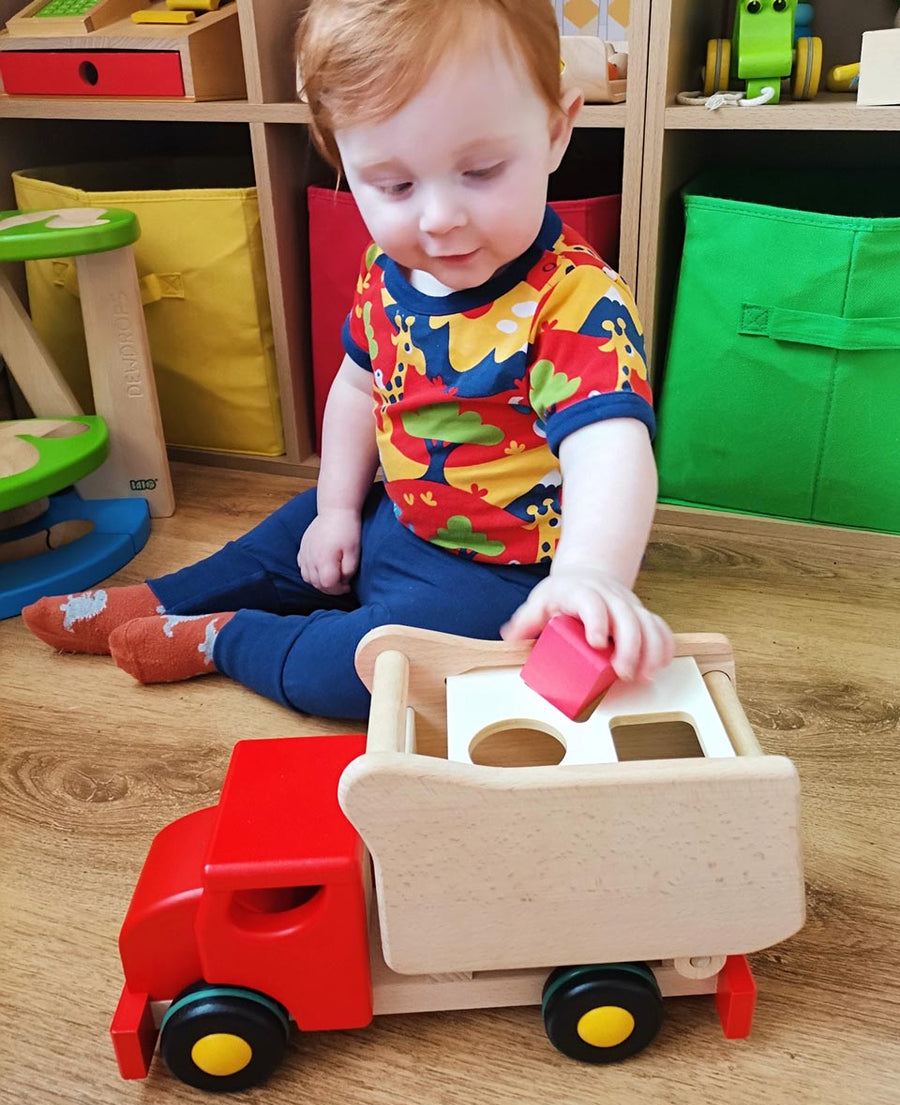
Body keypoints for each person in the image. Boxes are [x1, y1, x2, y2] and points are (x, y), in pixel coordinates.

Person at [22, 0, 674, 721]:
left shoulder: (577, 303)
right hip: (391, 506)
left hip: (505, 573)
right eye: (394, 185)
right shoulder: (387, 268)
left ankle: (229, 637)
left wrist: (592, 573)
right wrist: (336, 508)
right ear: (346, 165)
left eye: (481, 170)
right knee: (275, 541)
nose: (438, 218)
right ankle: (161, 596)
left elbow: (610, 445)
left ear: (556, 131)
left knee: (380, 676)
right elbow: (360, 388)